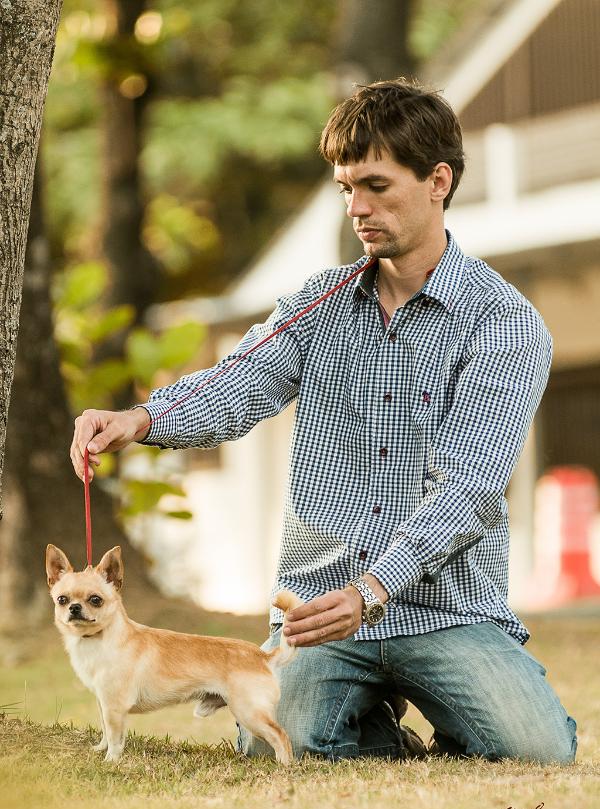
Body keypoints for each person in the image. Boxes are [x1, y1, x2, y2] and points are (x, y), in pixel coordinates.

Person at [71, 78, 577, 765]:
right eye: (345, 188)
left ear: (438, 180)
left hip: (446, 612)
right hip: (316, 613)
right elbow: (238, 383)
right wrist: (140, 417)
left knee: (535, 749)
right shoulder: (318, 303)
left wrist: (372, 589)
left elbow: (471, 487)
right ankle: (375, 733)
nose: (356, 208)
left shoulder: (505, 323)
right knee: (282, 739)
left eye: (374, 185)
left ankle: (443, 720)